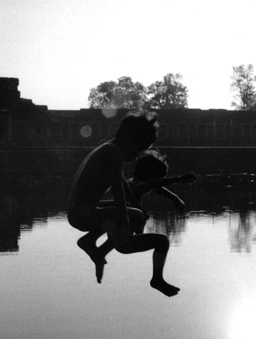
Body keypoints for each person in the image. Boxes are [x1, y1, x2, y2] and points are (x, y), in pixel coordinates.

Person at [66, 111, 180, 297]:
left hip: (81, 212)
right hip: (82, 214)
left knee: (136, 214)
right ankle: (102, 249)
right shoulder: (113, 152)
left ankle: (92, 243)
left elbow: (123, 185)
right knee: (133, 217)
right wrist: (127, 222)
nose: (136, 156)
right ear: (130, 140)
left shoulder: (108, 149)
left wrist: (139, 208)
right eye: (139, 149)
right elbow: (118, 192)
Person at [128, 150, 197, 233]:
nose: (158, 183)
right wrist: (178, 179)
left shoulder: (132, 183)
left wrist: (174, 198)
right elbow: (152, 185)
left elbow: (156, 187)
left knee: (141, 217)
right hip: (121, 234)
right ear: (149, 176)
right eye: (159, 179)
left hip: (127, 231)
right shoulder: (134, 186)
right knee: (162, 241)